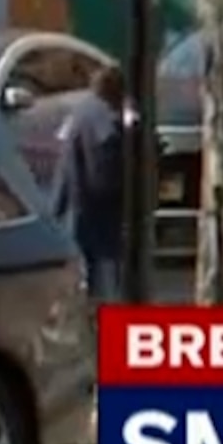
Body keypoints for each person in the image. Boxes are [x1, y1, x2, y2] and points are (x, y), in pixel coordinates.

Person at [48, 65, 130, 302]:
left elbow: (65, 166)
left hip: (76, 210)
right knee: (105, 283)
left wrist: (56, 210)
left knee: (83, 279)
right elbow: (105, 173)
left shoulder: (81, 113)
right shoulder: (106, 122)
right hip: (100, 216)